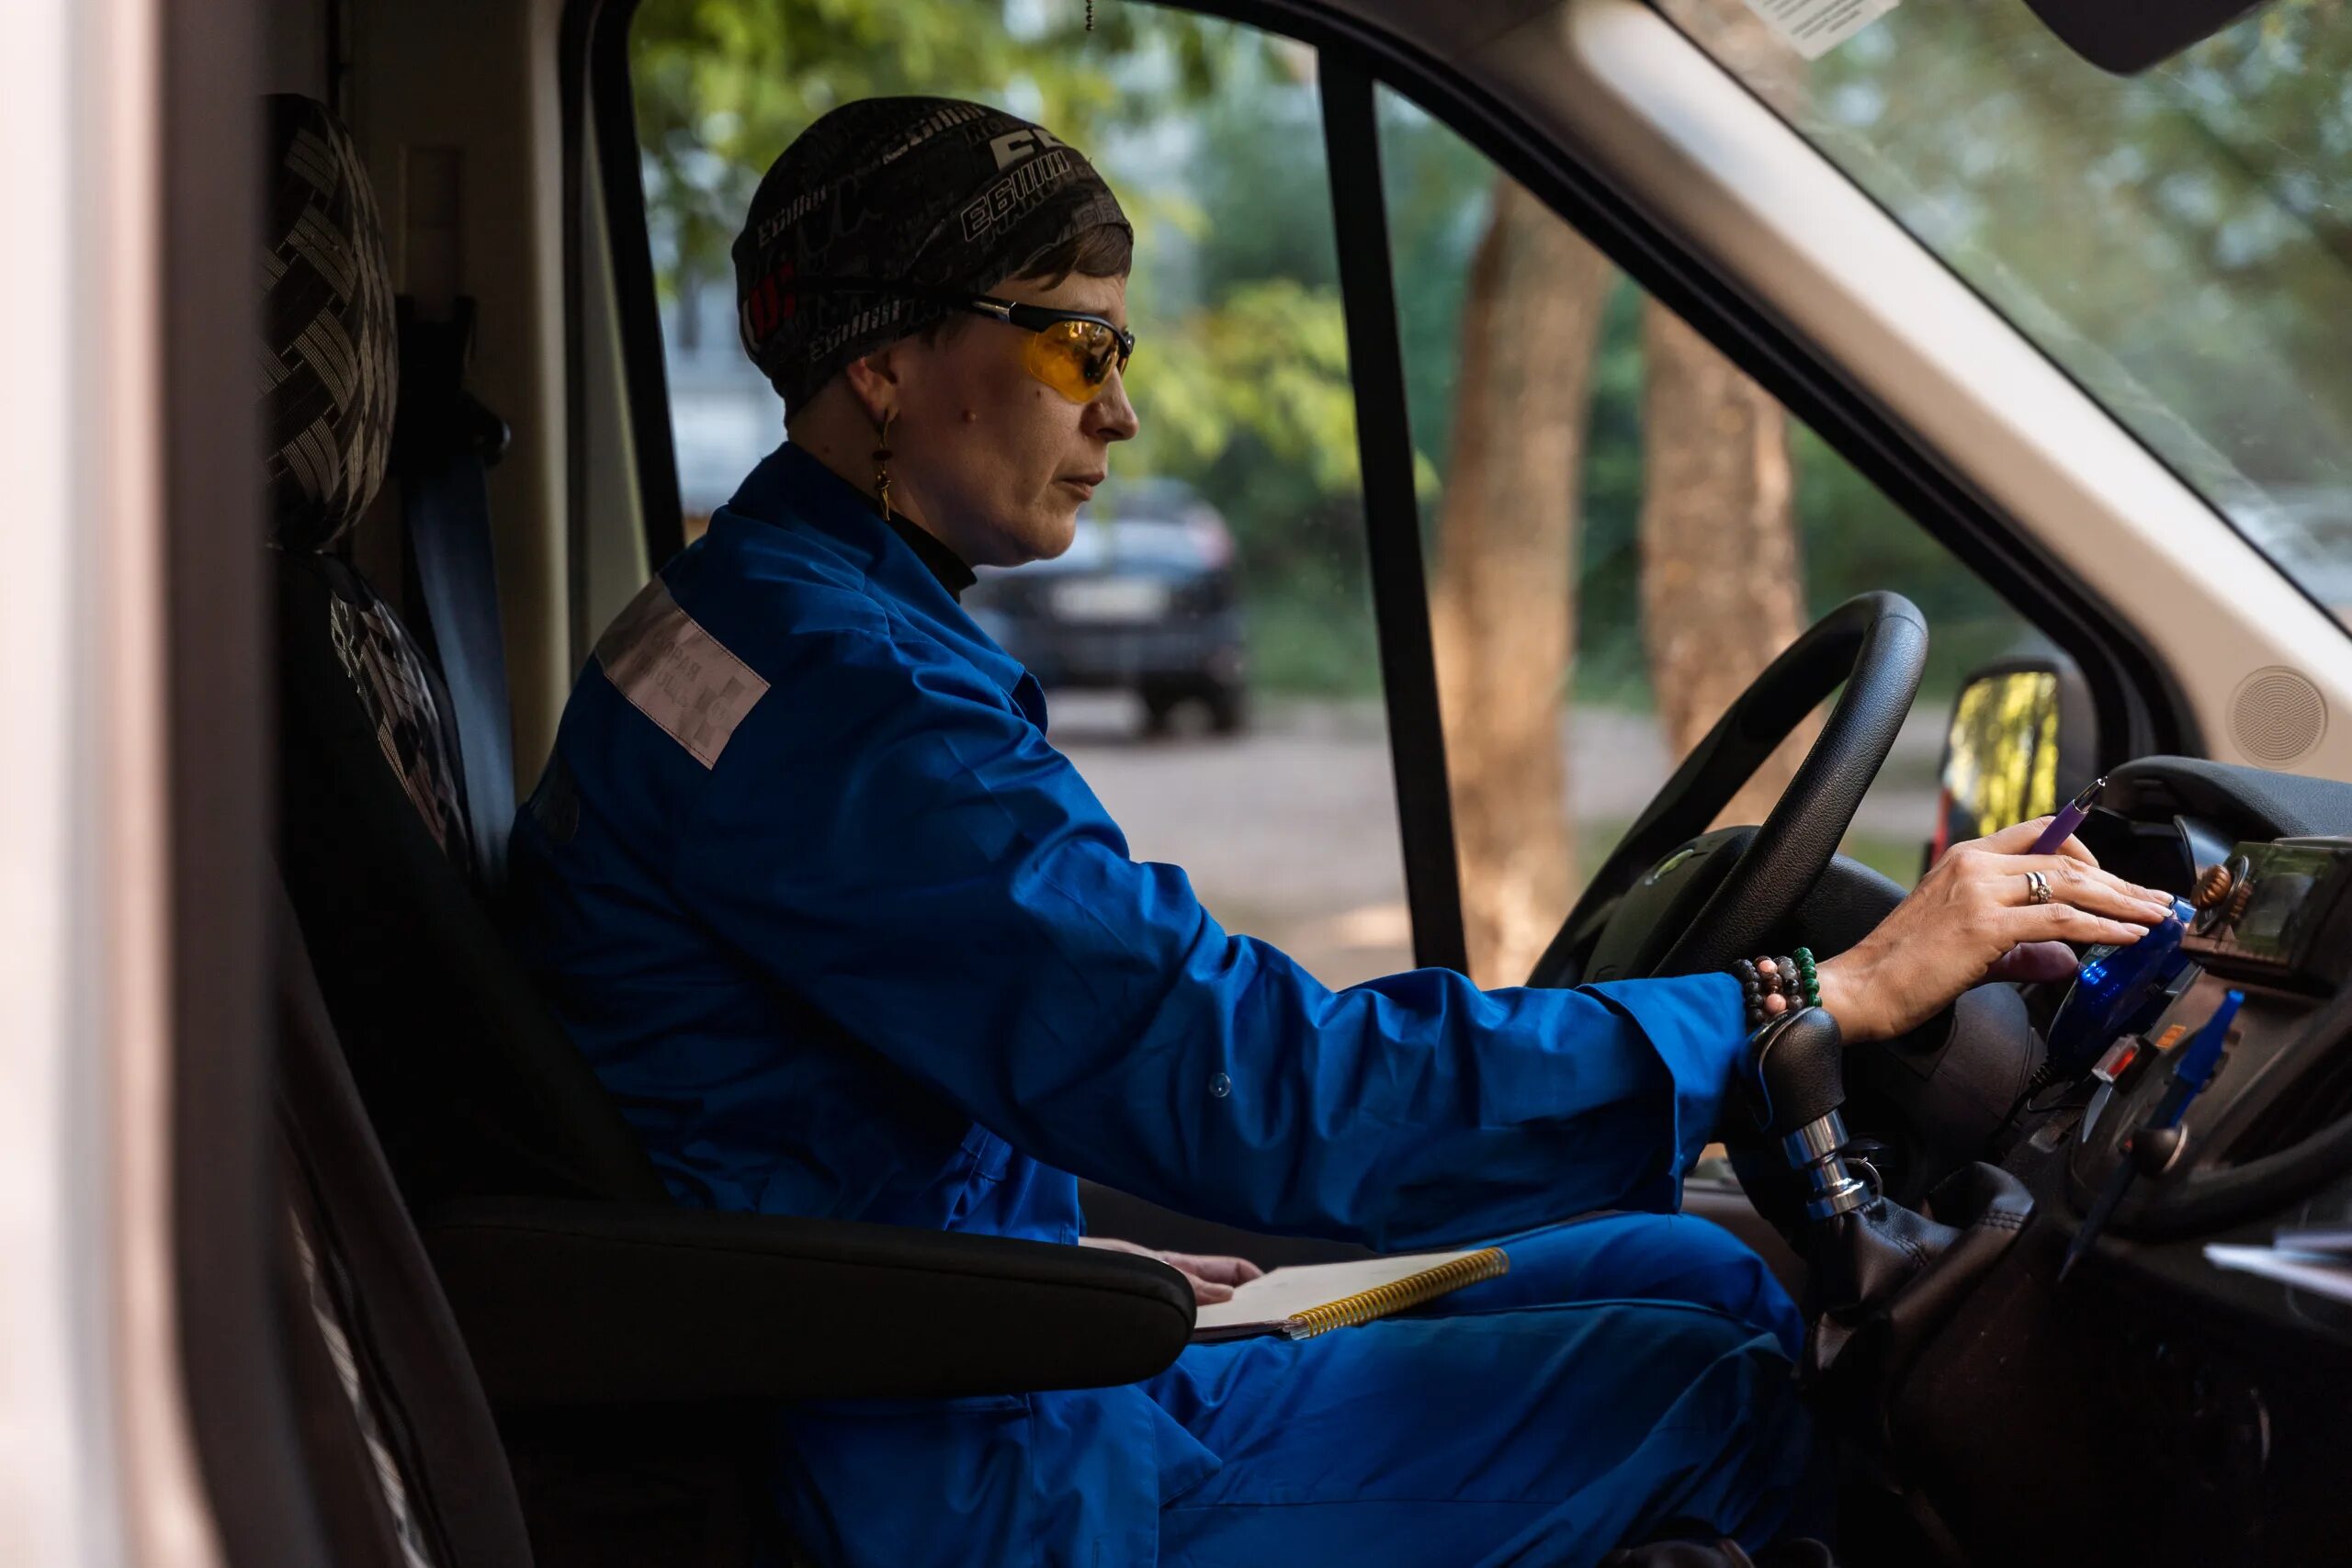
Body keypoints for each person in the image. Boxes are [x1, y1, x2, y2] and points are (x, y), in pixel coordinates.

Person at [507, 96, 2175, 1568]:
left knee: (1708, 1275)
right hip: (975, 1463)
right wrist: (1815, 1001)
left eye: (1122, 355)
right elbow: (1260, 1090)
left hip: (953, 1346)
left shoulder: (758, 612)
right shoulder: (855, 709)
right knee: (1725, 1394)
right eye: (1079, 346)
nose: (1120, 413)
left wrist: (1041, 1255)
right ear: (886, 362)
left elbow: (808, 1084)